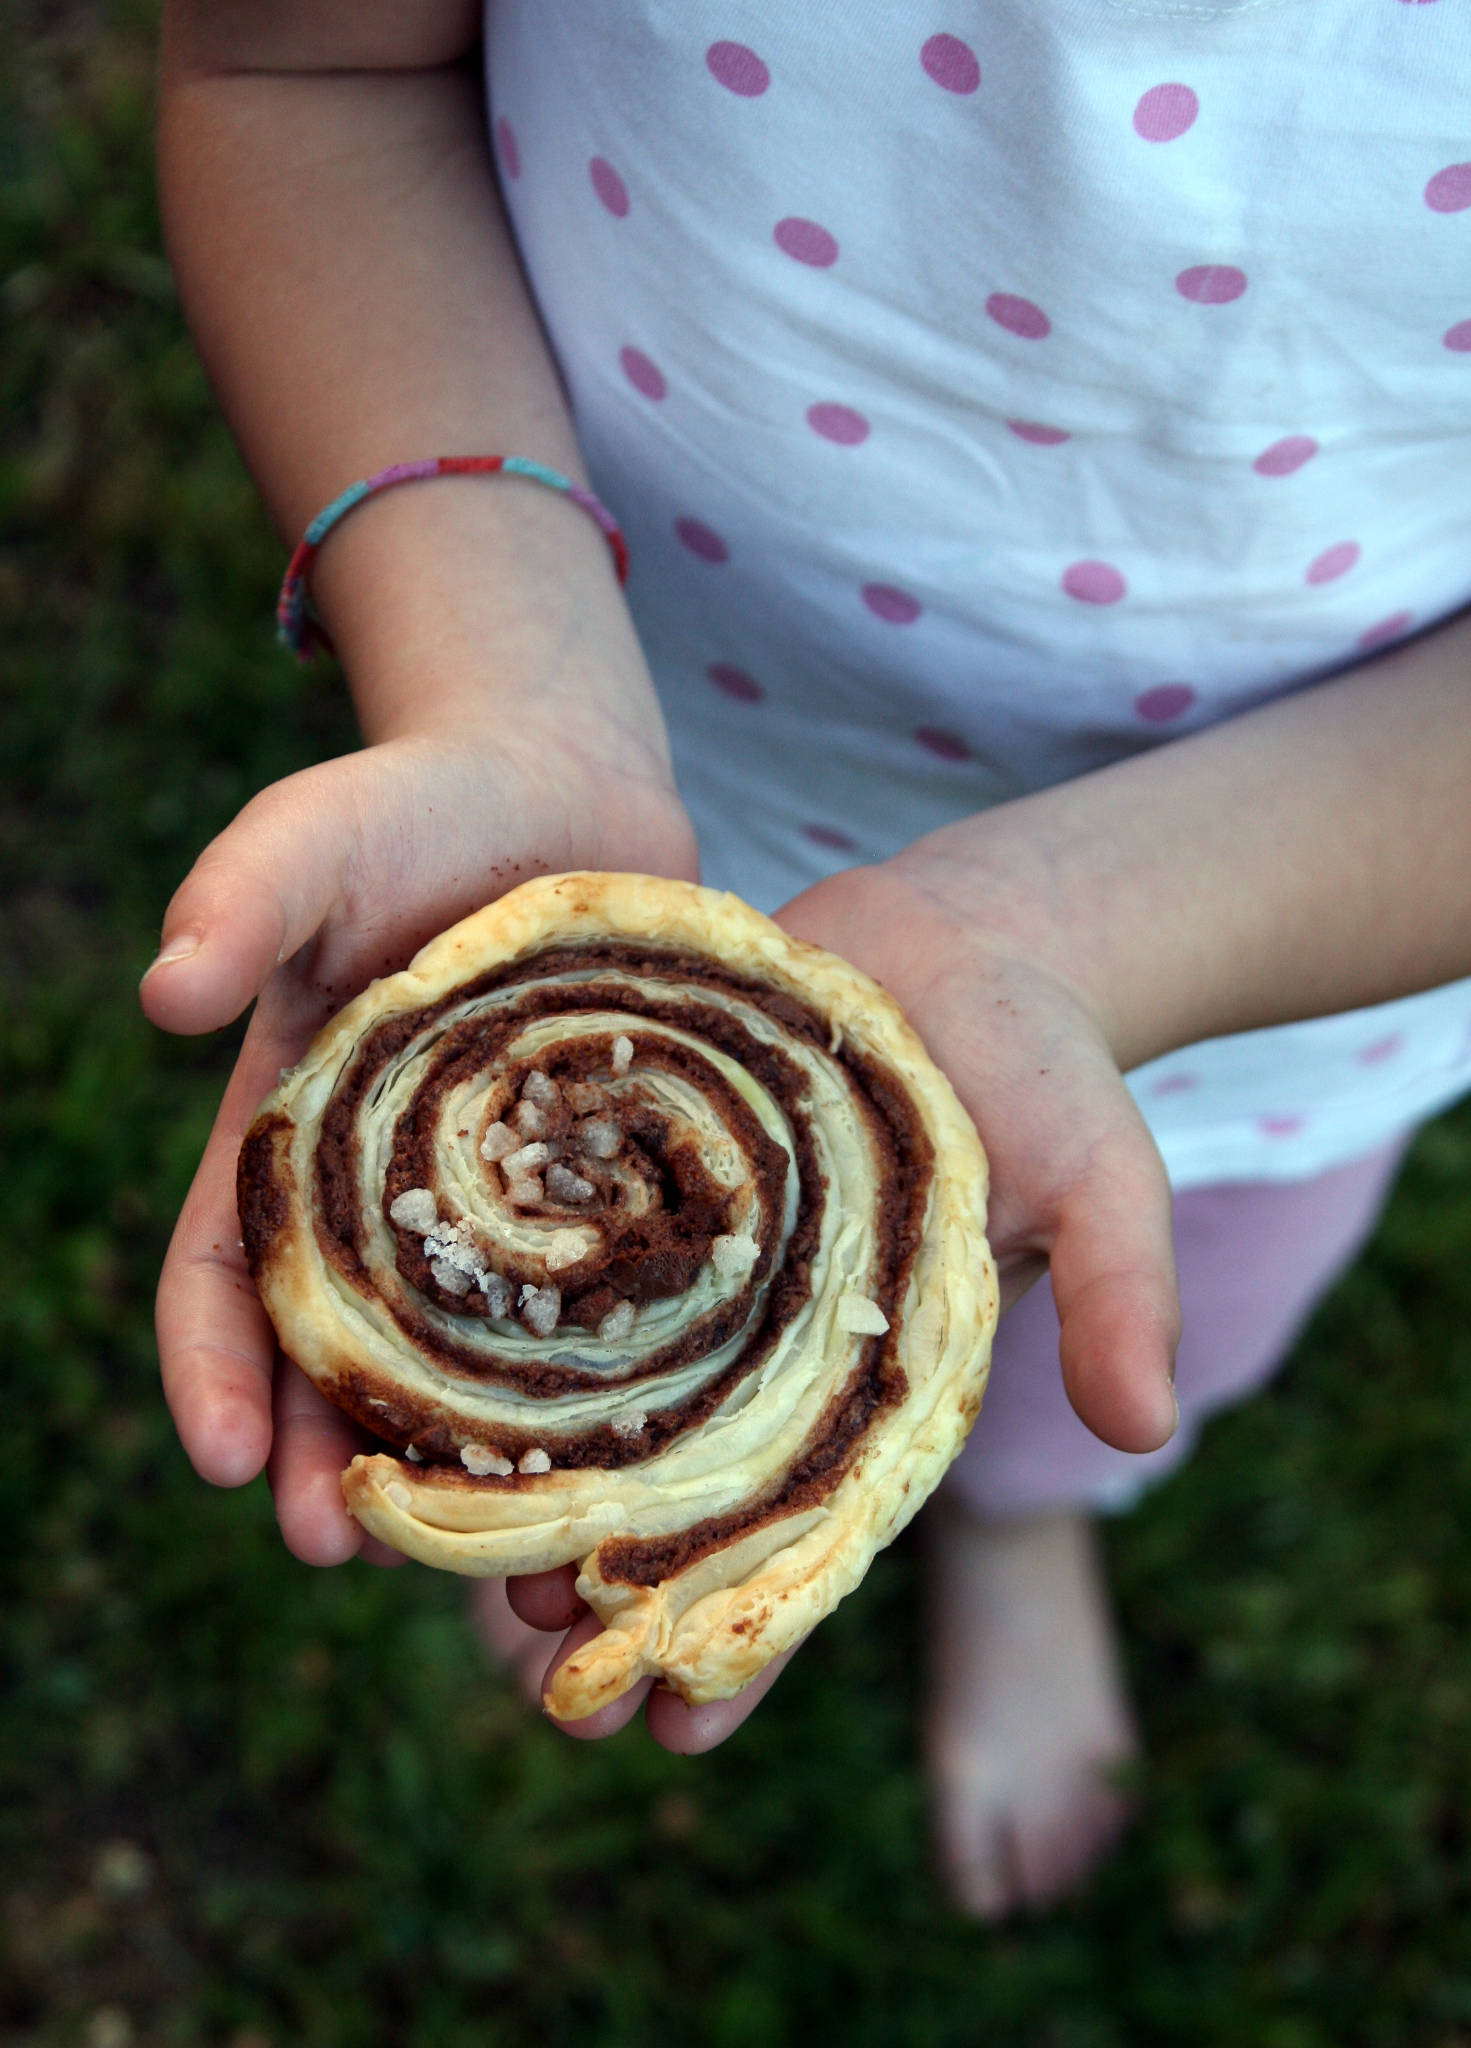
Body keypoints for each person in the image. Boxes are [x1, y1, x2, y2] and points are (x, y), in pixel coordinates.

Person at [141, 0, 1471, 1919]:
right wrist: (503, 686)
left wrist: (1097, 925)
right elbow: (306, 71)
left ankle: (1013, 1514)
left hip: (1304, 913)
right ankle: (645, 1486)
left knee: (1162, 1309)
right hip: (626, 710)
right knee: (1022, 1311)